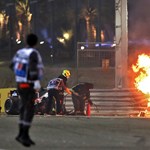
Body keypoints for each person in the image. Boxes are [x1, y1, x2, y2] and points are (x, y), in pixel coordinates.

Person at [10, 33, 44, 147]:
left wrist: (19, 75)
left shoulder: (20, 52)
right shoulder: (33, 53)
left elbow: (11, 65)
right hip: (28, 84)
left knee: (24, 107)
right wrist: (35, 81)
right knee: (29, 109)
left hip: (20, 83)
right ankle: (24, 134)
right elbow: (33, 68)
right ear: (35, 42)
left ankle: (21, 134)